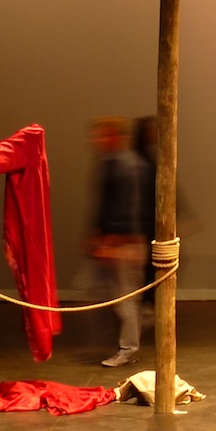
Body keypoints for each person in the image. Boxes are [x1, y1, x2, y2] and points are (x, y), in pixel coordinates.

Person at [89, 116, 149, 368]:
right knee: (119, 296)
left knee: (125, 298)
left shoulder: (125, 166)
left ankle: (128, 348)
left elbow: (126, 206)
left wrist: (115, 239)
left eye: (102, 135)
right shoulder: (114, 163)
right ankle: (128, 343)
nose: (96, 141)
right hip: (119, 240)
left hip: (123, 242)